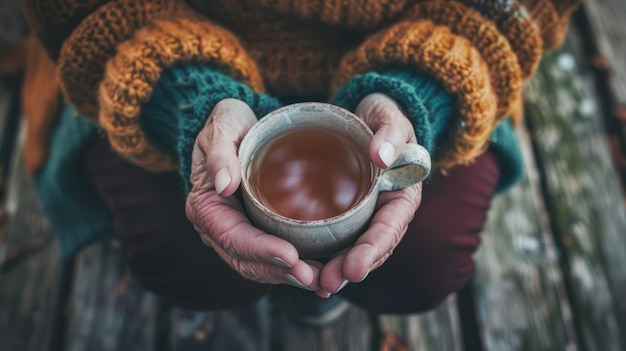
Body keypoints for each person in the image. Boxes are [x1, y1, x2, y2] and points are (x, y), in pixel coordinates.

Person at [20, 0, 579, 322]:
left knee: (423, 266)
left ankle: (312, 287)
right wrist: (186, 95)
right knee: (181, 263)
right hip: (161, 39)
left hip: (438, 34)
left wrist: (421, 89)